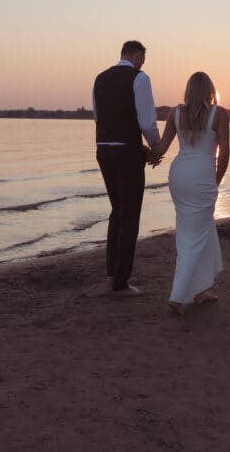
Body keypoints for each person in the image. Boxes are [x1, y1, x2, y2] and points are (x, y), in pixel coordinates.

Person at [150, 72, 230, 315]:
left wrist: (146, 155)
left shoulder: (175, 113)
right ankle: (178, 296)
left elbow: (161, 148)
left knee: (195, 231)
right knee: (194, 237)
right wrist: (216, 181)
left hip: (179, 175)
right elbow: (224, 153)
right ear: (210, 90)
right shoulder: (219, 114)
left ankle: (200, 290)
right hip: (201, 177)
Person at [93, 40, 160, 295]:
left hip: (104, 149)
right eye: (142, 58)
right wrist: (154, 147)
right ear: (136, 54)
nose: (143, 63)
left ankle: (111, 274)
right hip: (127, 151)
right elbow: (146, 120)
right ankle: (121, 282)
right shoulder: (139, 78)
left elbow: (98, 117)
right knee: (130, 214)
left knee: (116, 211)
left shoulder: (100, 78)